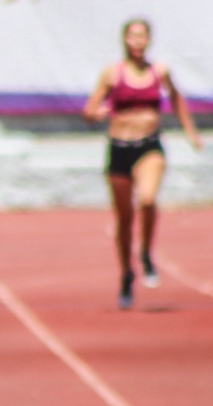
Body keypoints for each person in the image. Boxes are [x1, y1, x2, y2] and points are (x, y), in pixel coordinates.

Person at [83, 18, 202, 310]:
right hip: (120, 148)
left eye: (142, 36)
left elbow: (177, 99)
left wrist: (190, 132)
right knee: (124, 220)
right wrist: (99, 112)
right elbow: (89, 109)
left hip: (149, 146)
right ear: (124, 39)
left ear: (149, 40)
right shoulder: (112, 74)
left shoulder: (159, 71)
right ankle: (126, 272)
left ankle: (147, 251)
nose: (137, 42)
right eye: (132, 36)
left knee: (147, 201)